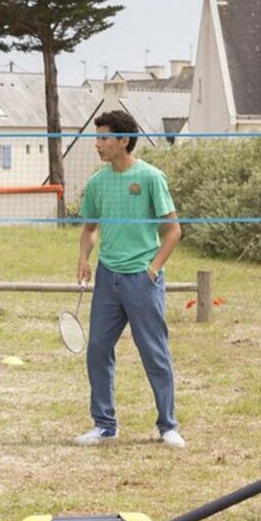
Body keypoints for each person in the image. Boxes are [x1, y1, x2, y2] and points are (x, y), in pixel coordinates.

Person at [75, 109, 185, 448]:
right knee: (97, 350)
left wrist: (152, 271)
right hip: (108, 278)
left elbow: (173, 231)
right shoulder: (97, 183)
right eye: (97, 138)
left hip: (142, 278)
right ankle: (105, 424)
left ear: (124, 140)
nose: (98, 145)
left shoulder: (151, 177)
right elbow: (90, 228)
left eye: (104, 138)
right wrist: (84, 257)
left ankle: (168, 426)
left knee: (154, 352)